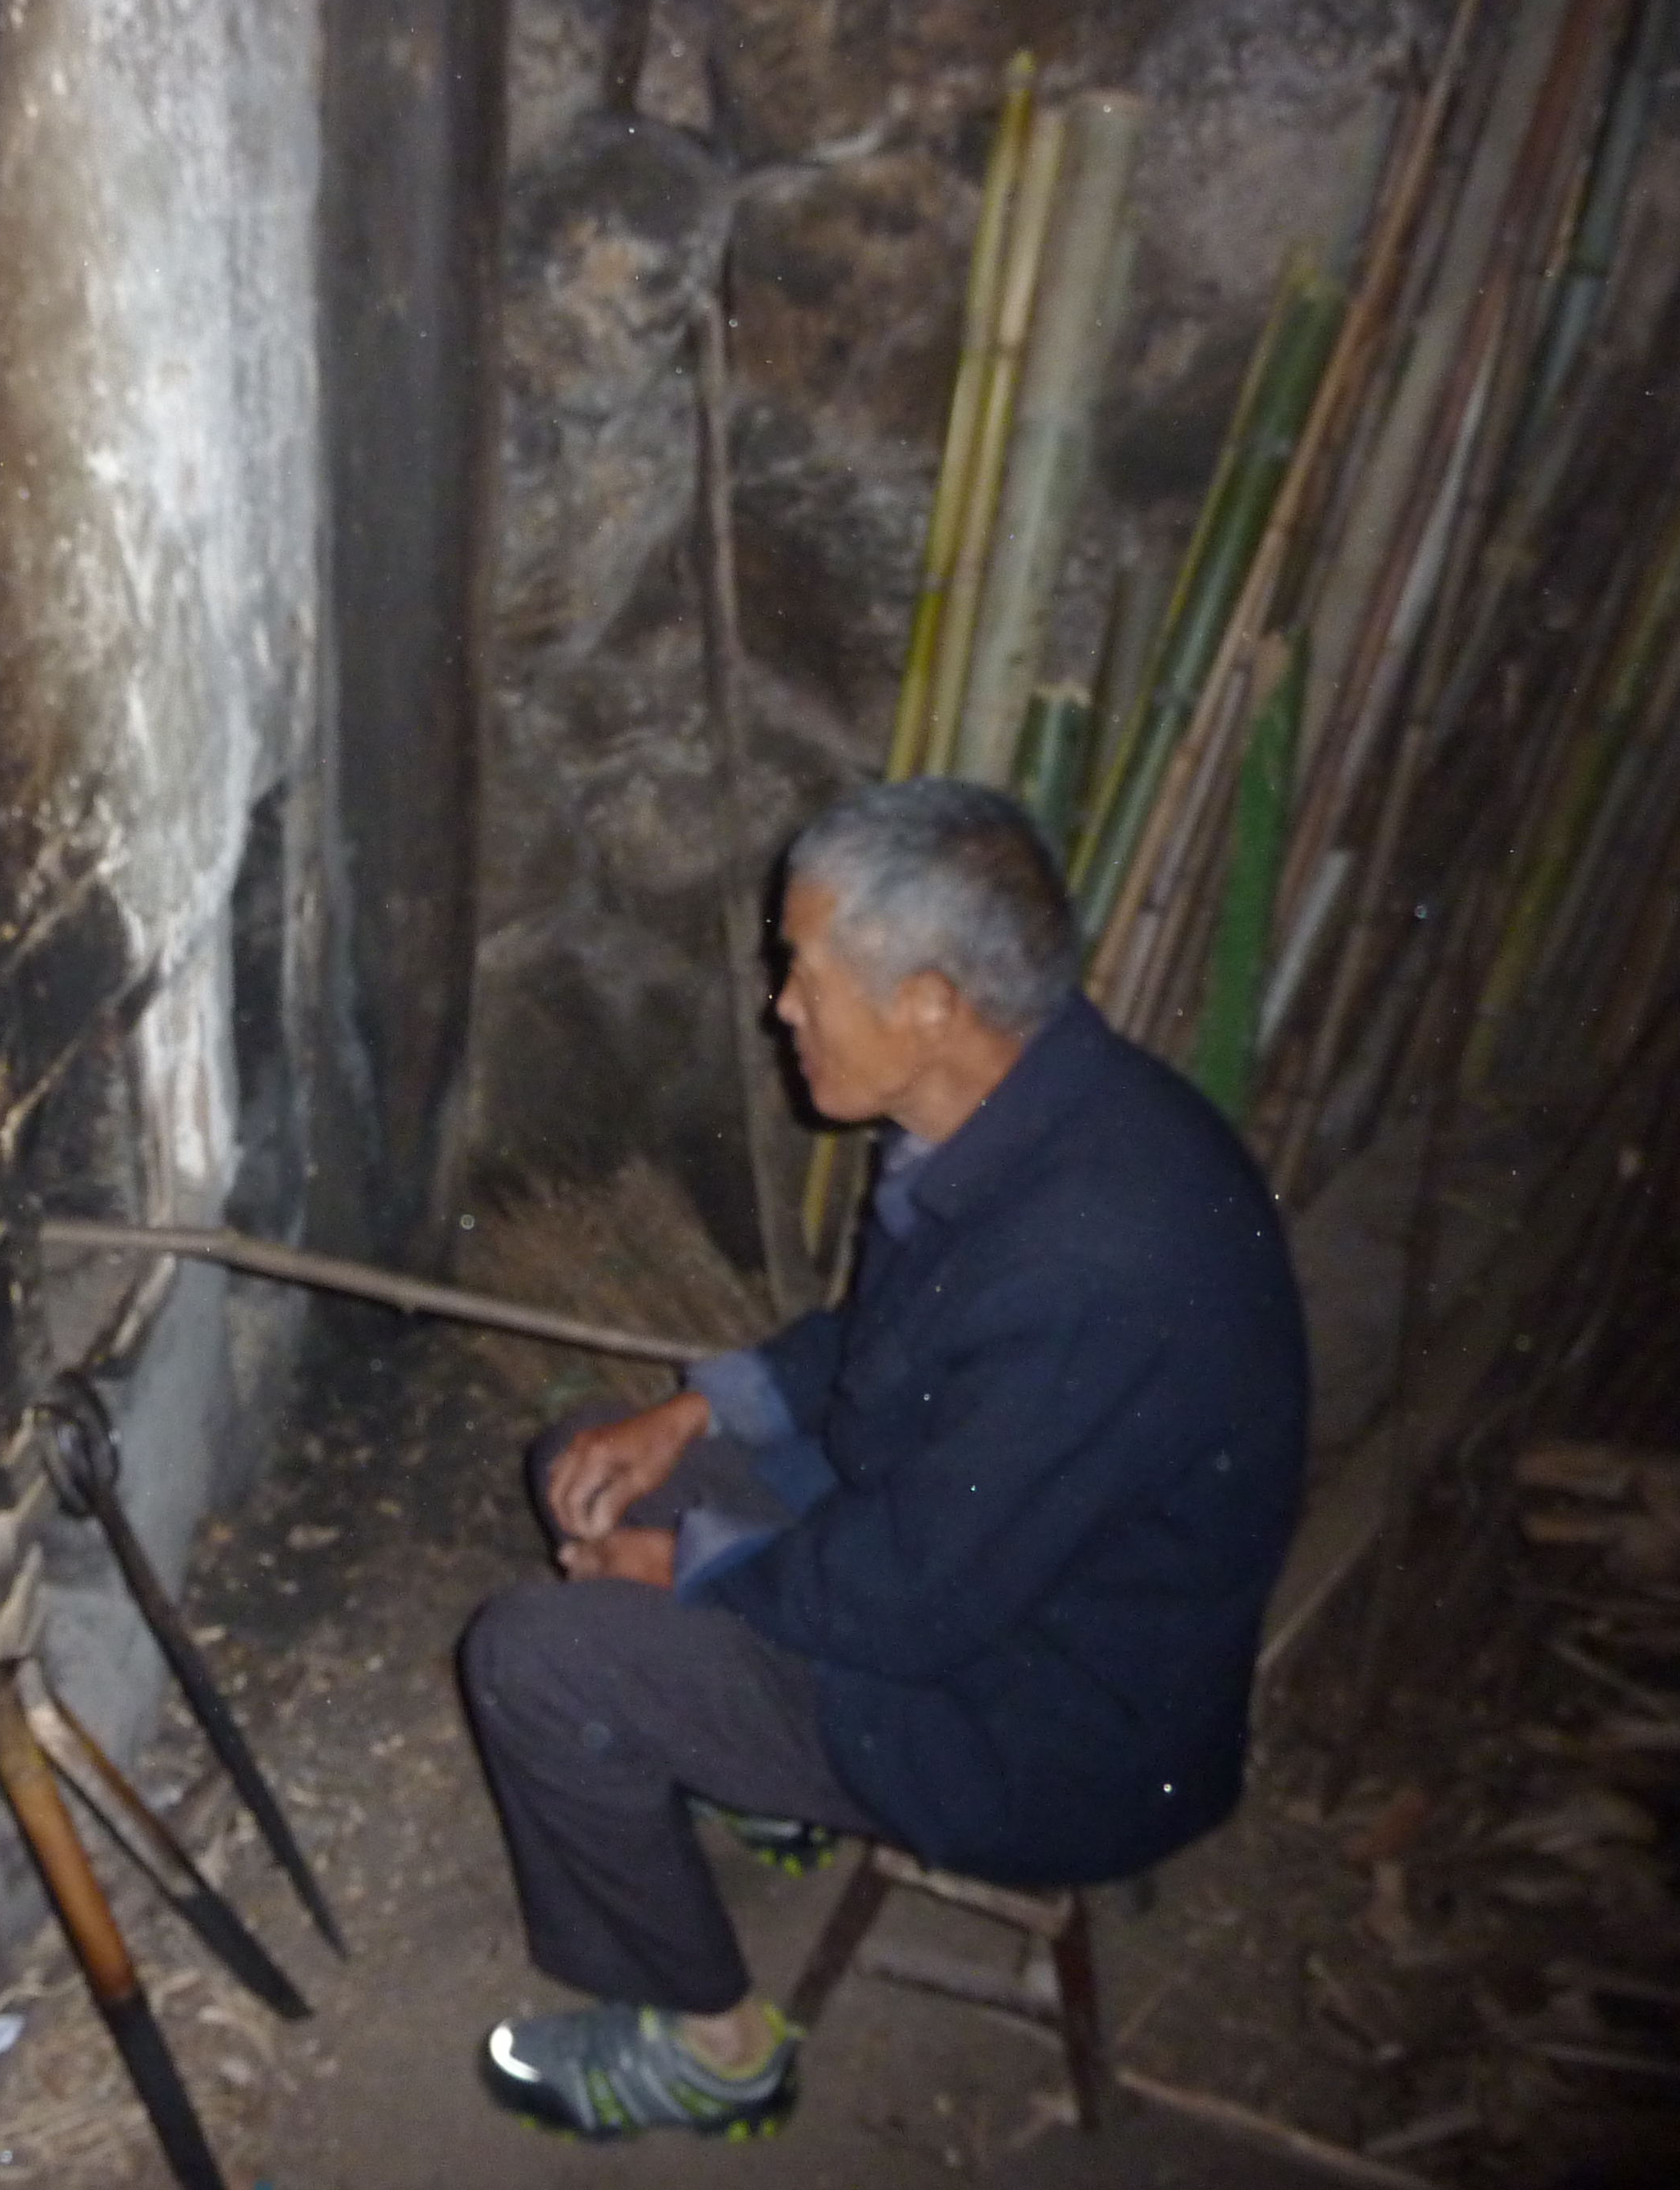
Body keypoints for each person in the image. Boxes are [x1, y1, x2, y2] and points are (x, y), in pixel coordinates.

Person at [460, 778, 1309, 2142]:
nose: (778, 1006)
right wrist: (695, 1413)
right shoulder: (1025, 1112)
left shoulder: (1104, 1261)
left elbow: (910, 1597)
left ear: (927, 1003)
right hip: (973, 1572)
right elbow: (889, 1346)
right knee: (588, 1457)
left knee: (539, 1657)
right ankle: (768, 1789)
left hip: (1042, 1719)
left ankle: (713, 2049)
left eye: (803, 973)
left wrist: (689, 1567)